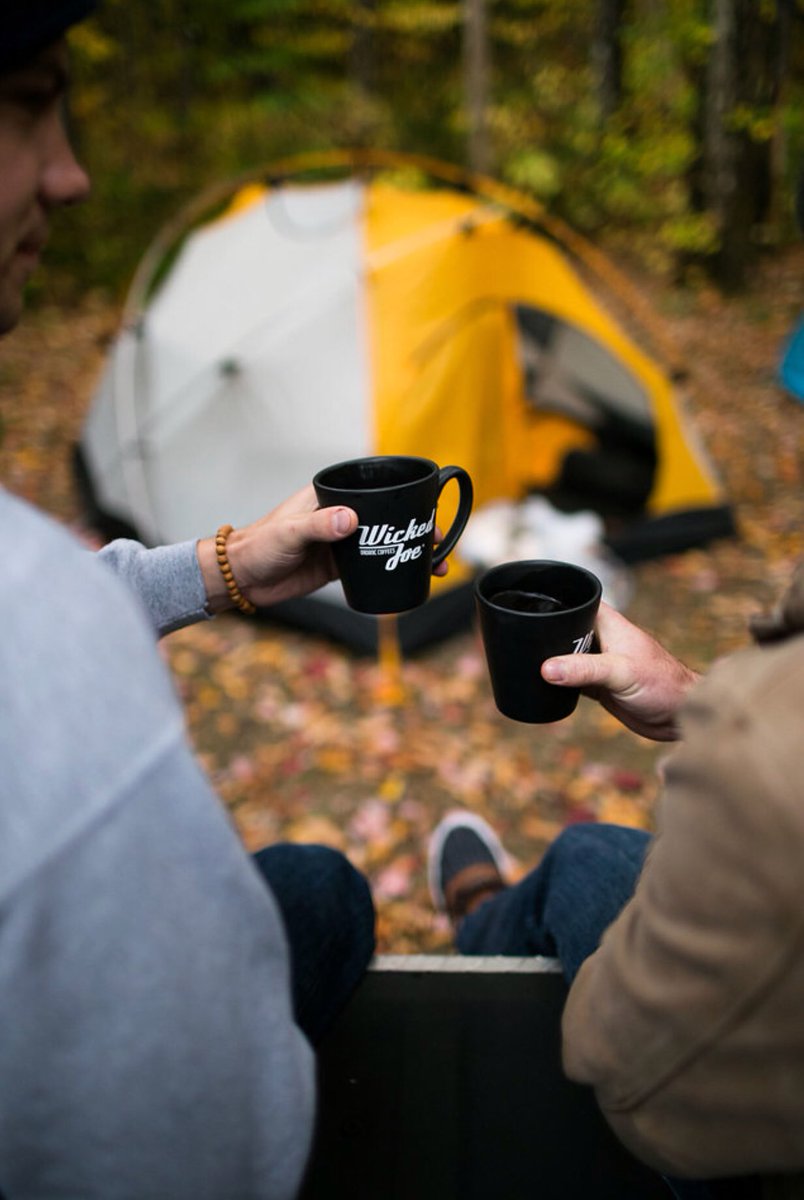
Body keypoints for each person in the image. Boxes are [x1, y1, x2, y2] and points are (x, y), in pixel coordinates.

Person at [0, 4, 386, 1196]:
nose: (70, 173)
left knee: (312, 884)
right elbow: (215, 1150)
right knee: (323, 893)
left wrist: (223, 566)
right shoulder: (43, 645)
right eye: (28, 104)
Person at [429, 561, 804, 1199]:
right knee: (592, 849)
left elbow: (635, 1076)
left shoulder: (756, 761)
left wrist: (705, 799)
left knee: (581, 857)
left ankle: (481, 922)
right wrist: (694, 697)